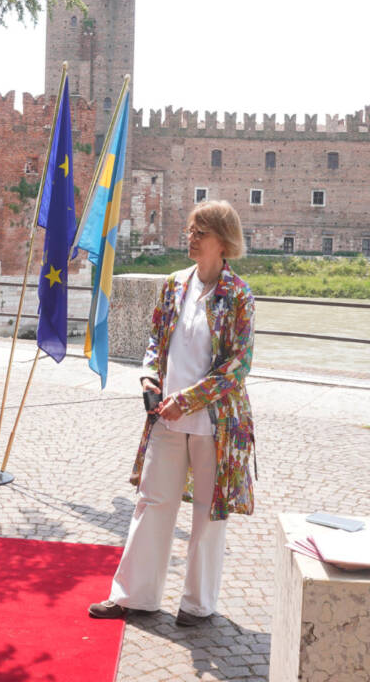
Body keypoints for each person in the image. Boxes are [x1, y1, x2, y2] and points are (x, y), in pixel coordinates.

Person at [89, 200, 256, 625]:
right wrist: (148, 378)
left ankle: (197, 605)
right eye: (190, 230)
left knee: (207, 511)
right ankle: (133, 596)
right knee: (152, 500)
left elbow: (238, 366)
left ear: (224, 241)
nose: (191, 237)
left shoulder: (238, 294)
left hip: (214, 422)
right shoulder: (174, 284)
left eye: (201, 231)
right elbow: (154, 343)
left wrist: (190, 399)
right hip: (166, 413)